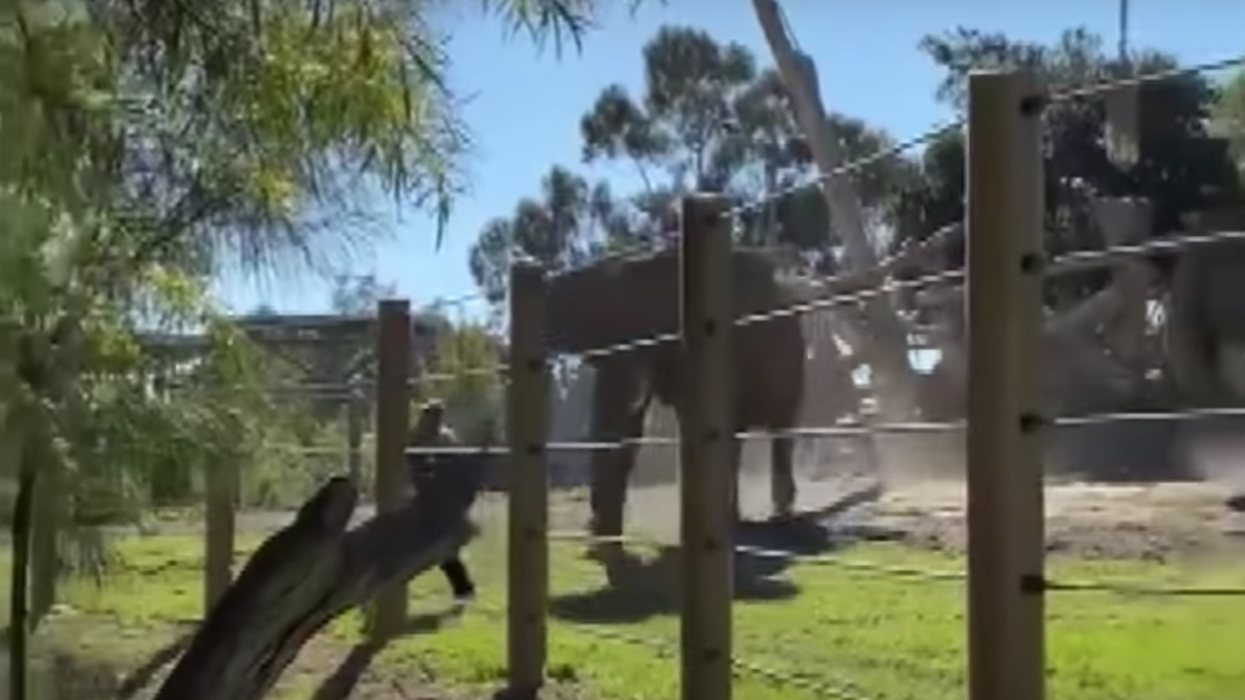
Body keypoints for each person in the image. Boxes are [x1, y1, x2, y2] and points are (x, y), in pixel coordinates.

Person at [407, 400, 477, 605]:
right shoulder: (421, 437)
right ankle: (463, 589)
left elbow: (458, 473)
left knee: (443, 548)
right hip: (429, 499)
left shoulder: (445, 439)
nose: (430, 422)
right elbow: (413, 466)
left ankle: (463, 590)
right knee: (440, 548)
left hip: (444, 500)